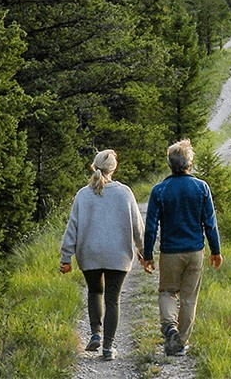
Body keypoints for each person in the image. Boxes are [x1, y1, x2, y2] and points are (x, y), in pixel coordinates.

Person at [59, 149, 144, 361]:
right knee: (112, 299)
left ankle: (95, 333)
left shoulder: (83, 194)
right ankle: (108, 347)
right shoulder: (125, 192)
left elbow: (73, 227)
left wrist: (66, 257)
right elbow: (137, 226)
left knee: (95, 291)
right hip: (118, 255)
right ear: (113, 168)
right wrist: (143, 251)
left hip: (90, 254)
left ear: (94, 166)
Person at [143, 139, 222, 356]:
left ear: (170, 163)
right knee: (189, 297)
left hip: (170, 252)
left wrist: (147, 255)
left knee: (167, 292)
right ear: (189, 163)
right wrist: (215, 251)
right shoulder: (201, 187)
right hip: (195, 251)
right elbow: (210, 223)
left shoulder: (159, 190)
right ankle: (180, 344)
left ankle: (169, 327)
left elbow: (150, 227)